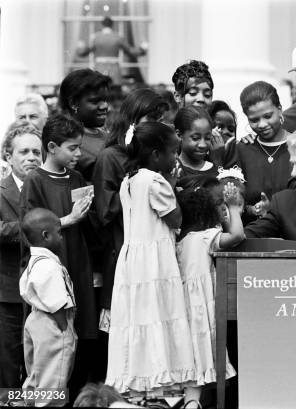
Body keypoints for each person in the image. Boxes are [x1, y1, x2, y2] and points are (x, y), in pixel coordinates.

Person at [105, 122, 196, 396]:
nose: (175, 158)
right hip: (154, 260)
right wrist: (172, 184)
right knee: (158, 313)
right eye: (172, 152)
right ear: (156, 155)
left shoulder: (128, 181)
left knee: (138, 317)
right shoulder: (156, 181)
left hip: (132, 259)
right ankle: (160, 379)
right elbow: (175, 219)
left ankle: (136, 378)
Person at [90, 88, 168, 380]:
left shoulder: (156, 157)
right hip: (123, 251)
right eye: (151, 118)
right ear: (134, 119)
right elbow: (105, 211)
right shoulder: (111, 157)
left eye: (161, 120)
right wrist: (137, 189)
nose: (156, 125)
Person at [19, 115, 96, 402]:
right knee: (51, 350)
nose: (78, 154)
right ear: (52, 147)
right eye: (72, 148)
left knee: (80, 343)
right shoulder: (35, 180)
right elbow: (31, 231)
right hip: (51, 272)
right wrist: (69, 218)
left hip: (78, 263)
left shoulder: (76, 177)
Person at [175, 182, 244, 407]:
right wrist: (233, 208)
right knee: (204, 352)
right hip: (203, 307)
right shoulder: (205, 237)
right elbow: (236, 236)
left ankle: (192, 402)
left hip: (184, 307)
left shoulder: (179, 240)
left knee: (193, 357)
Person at [20, 208, 77, 407]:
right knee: (53, 381)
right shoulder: (49, 266)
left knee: (37, 375)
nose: (62, 238)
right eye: (59, 233)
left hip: (36, 321)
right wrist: (64, 330)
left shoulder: (35, 261)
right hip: (52, 323)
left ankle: (29, 403)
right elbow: (56, 302)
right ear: (46, 235)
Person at [0, 125, 42, 396]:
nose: (31, 157)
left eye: (36, 151)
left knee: (39, 367)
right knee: (8, 366)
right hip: (8, 292)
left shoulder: (46, 186)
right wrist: (34, 229)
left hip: (44, 294)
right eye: (24, 151)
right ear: (8, 155)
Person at [225, 81, 294, 222]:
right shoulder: (242, 150)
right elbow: (232, 201)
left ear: (280, 109)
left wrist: (274, 208)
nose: (262, 124)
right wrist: (253, 210)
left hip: (295, 236)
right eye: (254, 120)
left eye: (268, 116)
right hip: (254, 236)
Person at [58, 69, 112, 182]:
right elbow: (102, 174)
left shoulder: (108, 135)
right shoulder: (62, 138)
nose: (104, 106)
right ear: (73, 103)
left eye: (106, 100)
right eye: (95, 101)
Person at [77, 16, 147, 85]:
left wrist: (79, 48)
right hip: (114, 69)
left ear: (102, 24)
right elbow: (131, 51)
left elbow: (84, 52)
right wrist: (142, 49)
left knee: (99, 89)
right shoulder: (118, 37)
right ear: (112, 24)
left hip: (99, 68)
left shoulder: (95, 37)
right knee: (116, 92)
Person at [174, 106, 219, 189]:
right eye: (195, 138)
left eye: (207, 138)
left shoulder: (216, 169)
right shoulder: (174, 170)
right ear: (179, 135)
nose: (203, 145)